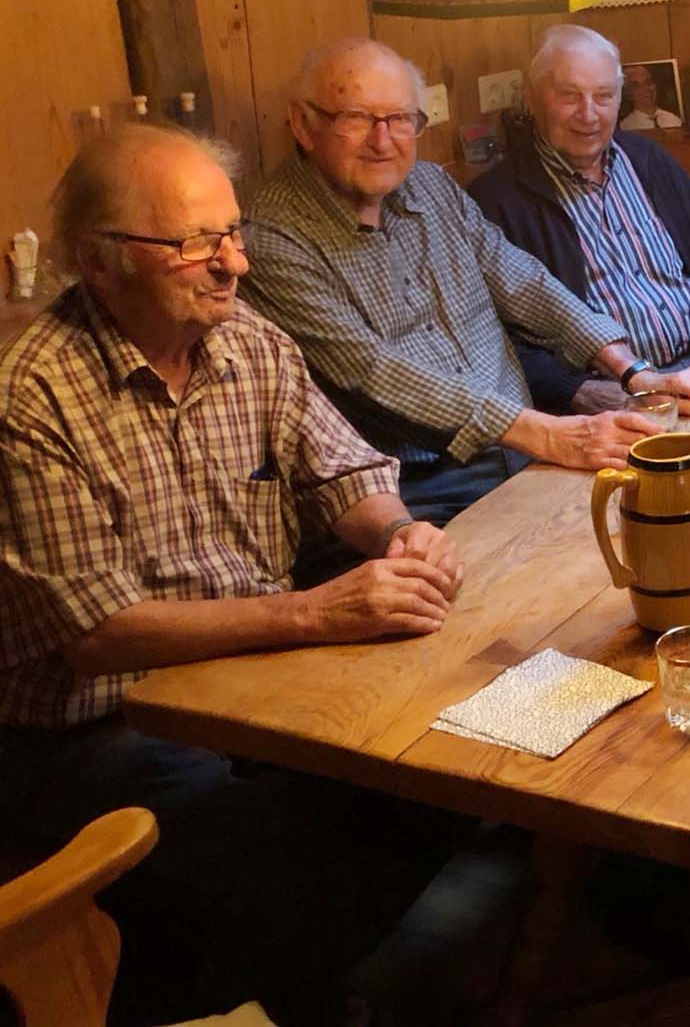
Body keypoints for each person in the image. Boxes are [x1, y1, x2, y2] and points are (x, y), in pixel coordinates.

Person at [0, 125, 470, 1024]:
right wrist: (315, 613)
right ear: (97, 262)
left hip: (248, 676)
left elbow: (344, 473)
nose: (233, 265)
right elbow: (97, 634)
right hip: (92, 721)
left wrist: (401, 532)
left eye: (231, 232)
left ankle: (315, 972)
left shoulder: (248, 340)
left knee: (439, 748)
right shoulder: (31, 398)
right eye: (192, 243)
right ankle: (289, 987)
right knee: (251, 839)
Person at [243, 37, 690, 526]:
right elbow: (372, 371)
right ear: (304, 125)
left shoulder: (430, 185)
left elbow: (522, 279)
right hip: (419, 490)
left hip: (527, 451)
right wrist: (551, 435)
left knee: (684, 506)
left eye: (401, 119)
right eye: (357, 118)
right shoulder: (271, 241)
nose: (383, 141)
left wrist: (634, 372)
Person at [469, 25, 690, 414]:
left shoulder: (650, 161)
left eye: (603, 96)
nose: (588, 114)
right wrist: (582, 393)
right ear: (531, 97)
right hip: (607, 403)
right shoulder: (495, 201)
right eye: (569, 95)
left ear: (620, 98)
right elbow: (501, 344)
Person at [621, 59, 682, 130]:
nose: (646, 89)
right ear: (628, 93)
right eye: (636, 86)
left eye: (648, 82)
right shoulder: (625, 126)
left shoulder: (674, 120)